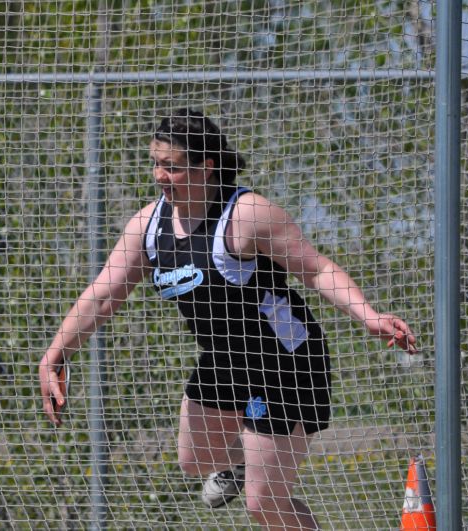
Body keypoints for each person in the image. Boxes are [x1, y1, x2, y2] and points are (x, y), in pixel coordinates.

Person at [39, 108, 417, 529]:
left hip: (284, 360)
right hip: (224, 358)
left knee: (263, 503)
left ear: (206, 166)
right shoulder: (147, 225)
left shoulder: (247, 215)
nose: (160, 176)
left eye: (173, 167)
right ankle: (239, 463)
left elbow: (316, 269)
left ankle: (257, 478)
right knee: (193, 459)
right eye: (156, 164)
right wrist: (57, 352)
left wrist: (368, 316)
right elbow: (104, 295)